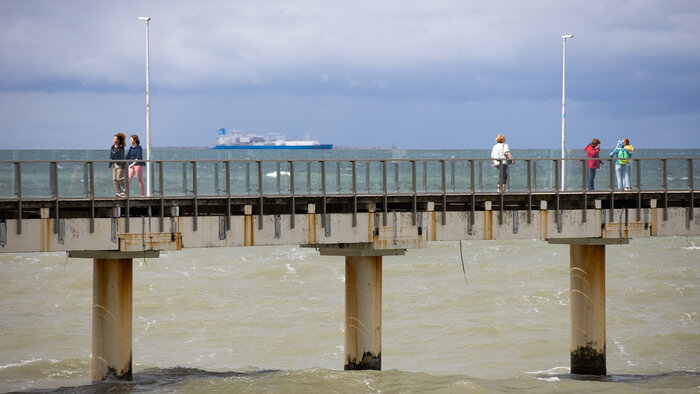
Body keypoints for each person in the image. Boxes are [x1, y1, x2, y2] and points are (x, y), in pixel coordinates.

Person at [109, 133, 126, 197]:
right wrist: (109, 165)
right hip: (114, 164)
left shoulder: (121, 147)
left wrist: (122, 165)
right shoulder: (112, 147)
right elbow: (111, 156)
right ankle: (118, 192)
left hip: (120, 164)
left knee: (119, 178)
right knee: (114, 179)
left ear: (118, 140)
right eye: (114, 138)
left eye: (115, 138)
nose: (114, 139)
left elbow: (122, 156)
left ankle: (126, 188)